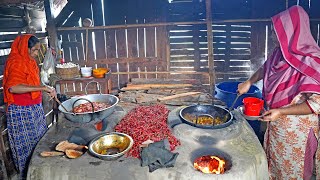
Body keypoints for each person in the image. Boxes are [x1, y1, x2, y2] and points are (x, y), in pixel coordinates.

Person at [238, 5, 320, 179]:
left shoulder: (311, 60)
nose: (274, 36)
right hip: (276, 126)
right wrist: (249, 82)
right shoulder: (279, 53)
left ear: (293, 31)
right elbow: (265, 68)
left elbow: (316, 104)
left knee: (295, 173)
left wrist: (281, 112)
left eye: (278, 32)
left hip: (298, 133)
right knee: (275, 169)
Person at [3, 34, 56, 179]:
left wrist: (48, 88)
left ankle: (41, 174)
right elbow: (13, 88)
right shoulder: (16, 62)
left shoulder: (30, 62)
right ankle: (29, 176)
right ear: (23, 48)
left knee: (39, 144)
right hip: (21, 112)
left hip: (34, 109)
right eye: (34, 50)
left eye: (38, 50)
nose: (36, 54)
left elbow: (34, 84)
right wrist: (42, 88)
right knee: (26, 149)